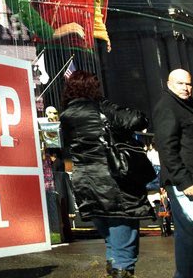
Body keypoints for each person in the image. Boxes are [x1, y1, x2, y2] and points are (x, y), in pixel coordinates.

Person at [60, 70, 154, 277]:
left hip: (85, 181)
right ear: (93, 87)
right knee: (124, 245)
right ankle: (121, 271)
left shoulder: (66, 115)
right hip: (114, 181)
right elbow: (138, 119)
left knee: (112, 241)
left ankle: (115, 270)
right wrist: (107, 105)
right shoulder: (101, 107)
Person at [153, 69, 193, 278]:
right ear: (168, 84)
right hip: (192, 182)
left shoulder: (183, 107)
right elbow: (166, 148)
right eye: (180, 83)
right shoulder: (168, 107)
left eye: (188, 84)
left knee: (188, 237)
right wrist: (184, 180)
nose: (186, 88)